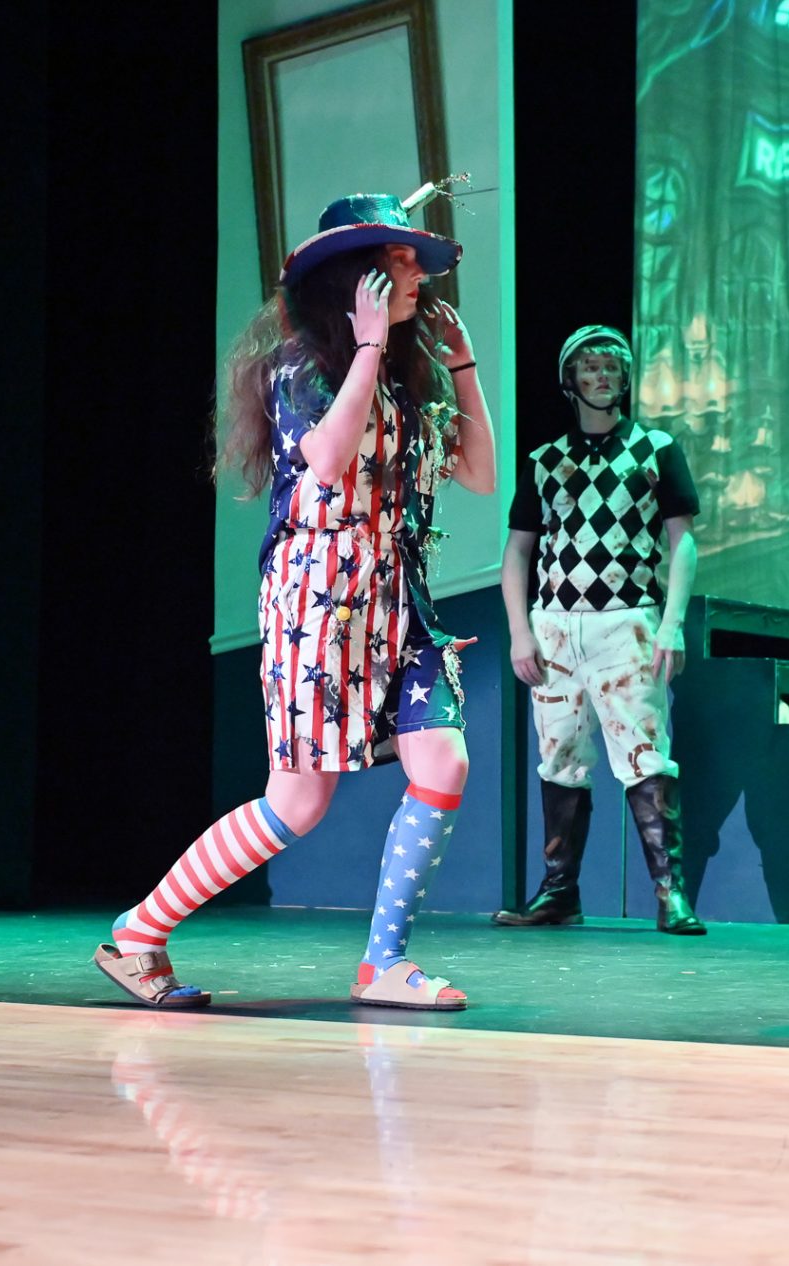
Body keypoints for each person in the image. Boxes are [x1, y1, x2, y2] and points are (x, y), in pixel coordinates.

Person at [93, 191, 496, 1010]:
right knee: (297, 803)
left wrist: (462, 368)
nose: (418, 273)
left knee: (444, 760)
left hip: (399, 600)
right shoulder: (302, 368)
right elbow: (327, 460)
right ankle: (139, 931)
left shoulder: (410, 380)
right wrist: (368, 348)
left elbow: (483, 476)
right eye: (399, 259)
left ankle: (383, 965)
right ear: (356, 278)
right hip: (320, 600)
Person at [494, 325, 705, 933]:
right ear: (571, 380)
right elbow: (518, 552)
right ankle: (560, 892)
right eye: (590, 367)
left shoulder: (655, 448)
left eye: (612, 366)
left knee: (645, 753)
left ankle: (670, 894)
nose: (602, 376)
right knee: (558, 757)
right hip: (556, 626)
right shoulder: (545, 461)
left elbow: (682, 542)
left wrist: (672, 624)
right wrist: (520, 632)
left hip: (627, 620)